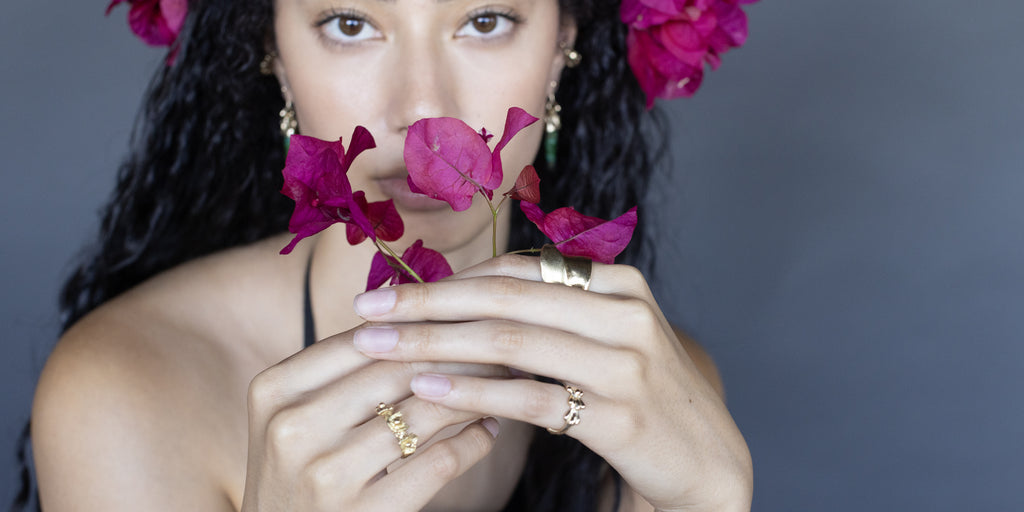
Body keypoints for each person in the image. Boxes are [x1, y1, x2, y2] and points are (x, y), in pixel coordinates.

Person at [24, 0, 754, 510]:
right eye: (351, 24)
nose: (421, 113)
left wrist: (710, 504)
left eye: (484, 21)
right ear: (272, 50)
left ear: (564, 42)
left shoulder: (656, 389)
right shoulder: (131, 398)